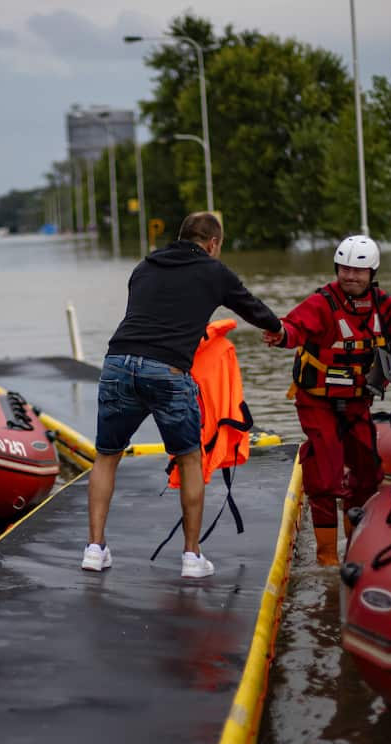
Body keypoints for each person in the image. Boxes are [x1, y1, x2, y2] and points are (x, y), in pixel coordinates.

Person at [83, 212, 285, 578]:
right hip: (167, 371)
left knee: (106, 456)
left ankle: (95, 549)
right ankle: (192, 557)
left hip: (117, 363)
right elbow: (253, 308)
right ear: (212, 244)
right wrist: (280, 331)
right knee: (191, 458)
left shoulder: (145, 266)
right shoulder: (213, 271)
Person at [264, 235, 391, 567]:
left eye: (358, 270)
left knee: (366, 472)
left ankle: (355, 545)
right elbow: (294, 327)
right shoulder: (322, 303)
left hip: (356, 404)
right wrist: (281, 336)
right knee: (325, 473)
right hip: (316, 402)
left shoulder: (387, 308)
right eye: (345, 269)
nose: (350, 276)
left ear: (372, 273)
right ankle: (327, 559)